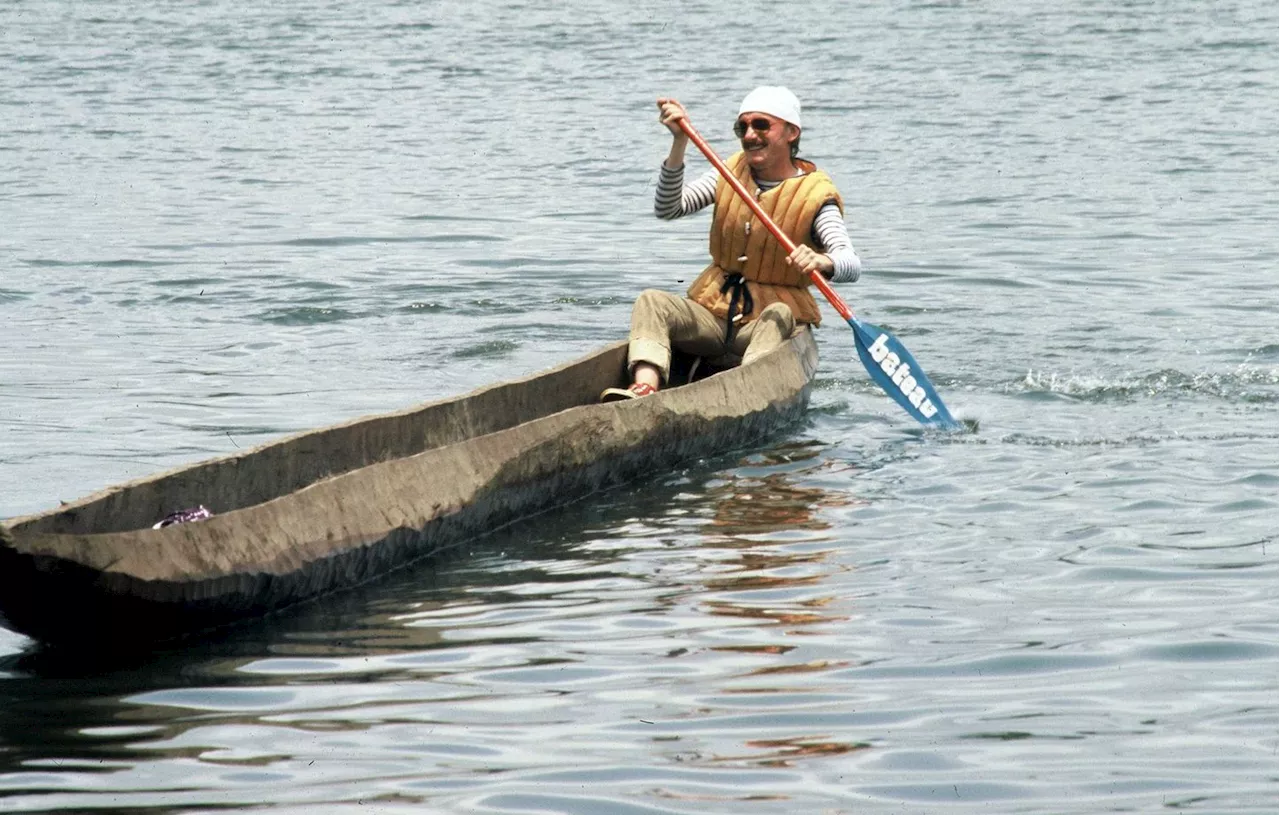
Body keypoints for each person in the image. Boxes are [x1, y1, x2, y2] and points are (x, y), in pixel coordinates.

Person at [601, 86, 861, 402]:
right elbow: (669, 208)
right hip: (713, 316)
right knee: (651, 300)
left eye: (762, 125)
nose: (750, 135)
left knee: (779, 314)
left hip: (763, 327)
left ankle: (746, 392)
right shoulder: (729, 172)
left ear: (792, 132)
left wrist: (824, 262)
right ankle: (644, 387)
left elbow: (850, 263)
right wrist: (679, 143)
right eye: (743, 127)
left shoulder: (817, 195)